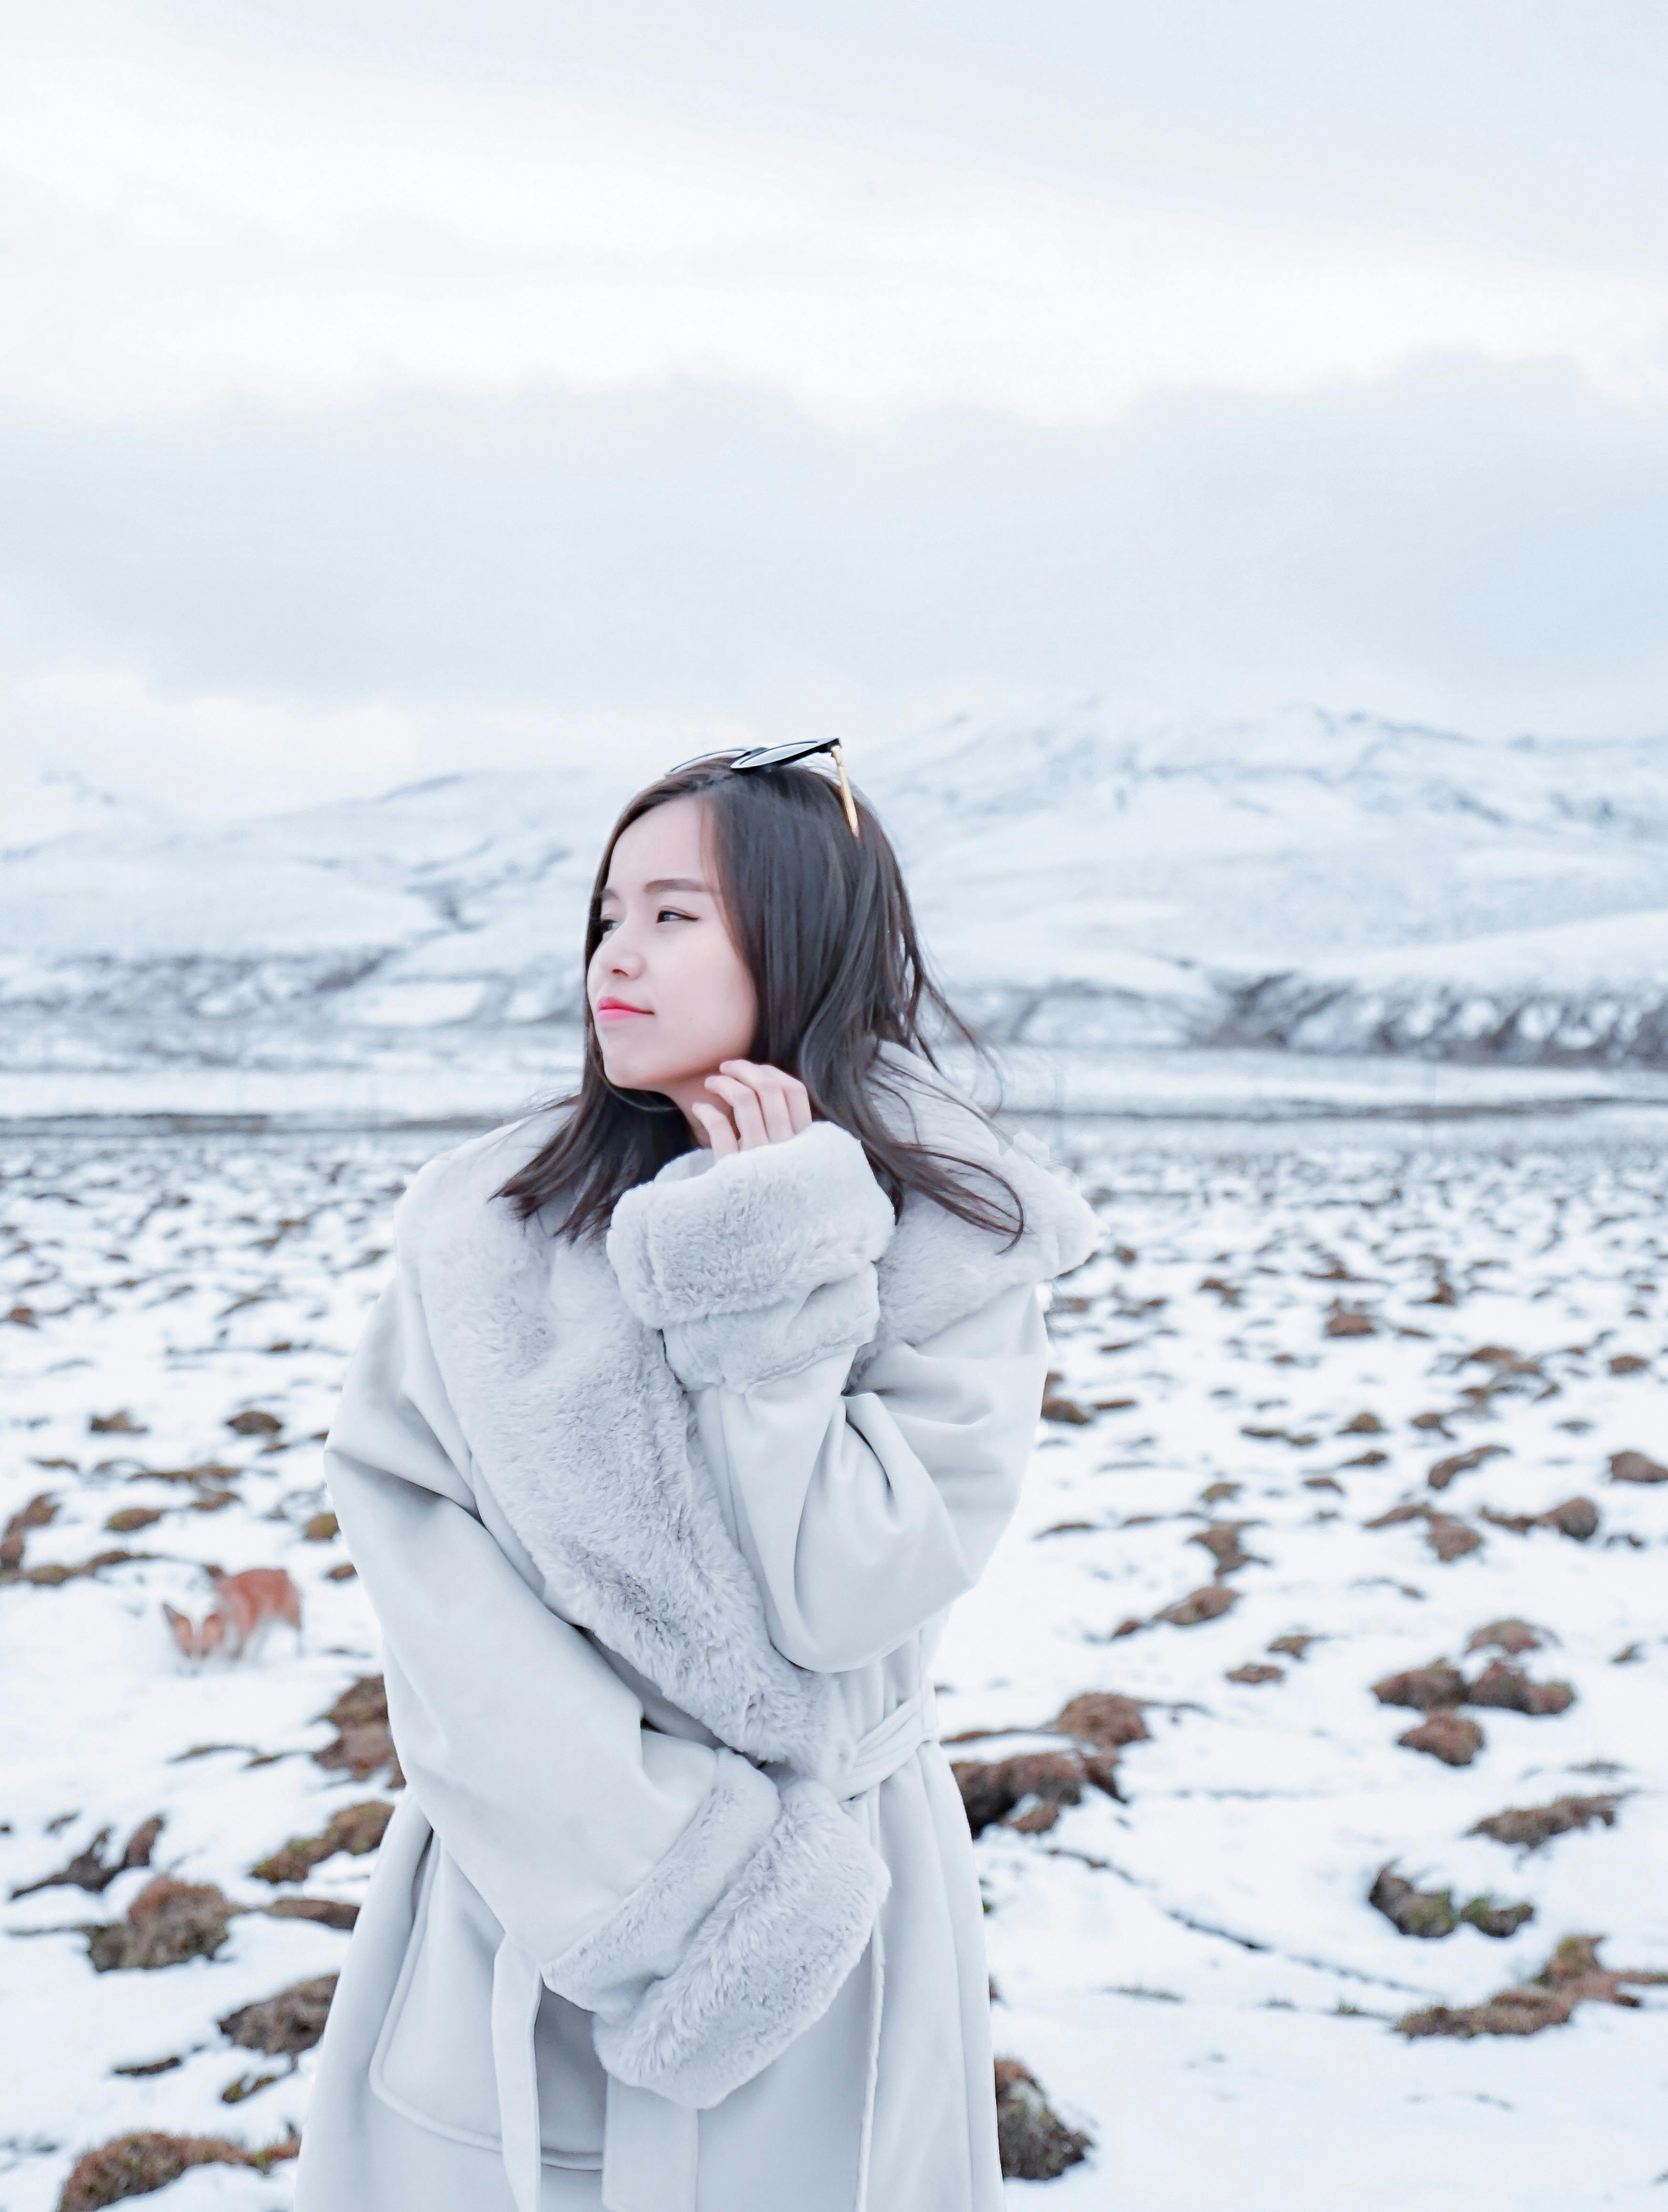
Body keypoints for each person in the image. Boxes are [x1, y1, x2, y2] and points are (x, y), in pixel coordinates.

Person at [290, 741, 1101, 2212]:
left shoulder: (953, 1249)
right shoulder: (484, 1235)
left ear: (797, 942)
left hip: (834, 1920)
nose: (620, 956)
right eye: (609, 914)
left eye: (675, 916)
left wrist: (766, 1274)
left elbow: (841, 1591)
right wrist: (661, 1872)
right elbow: (427, 1576)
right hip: (533, 1888)